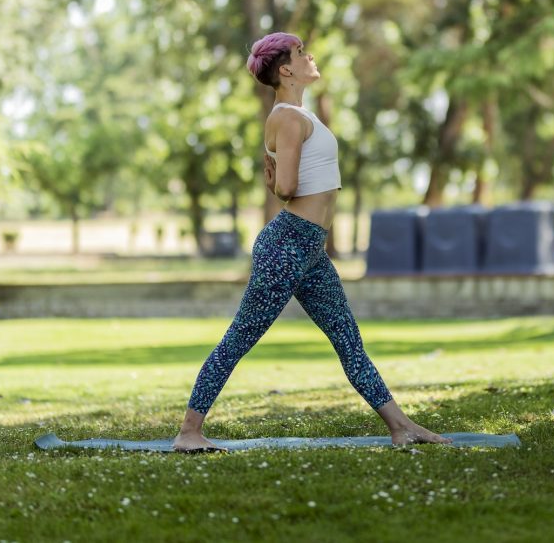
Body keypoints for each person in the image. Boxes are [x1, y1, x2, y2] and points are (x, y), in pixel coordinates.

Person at [172, 32, 452, 453]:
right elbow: (286, 186)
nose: (310, 55)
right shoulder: (286, 117)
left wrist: (279, 185)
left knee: (348, 340)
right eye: (301, 52)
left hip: (309, 250)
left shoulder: (302, 116)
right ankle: (189, 431)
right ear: (286, 68)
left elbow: (287, 184)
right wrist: (277, 184)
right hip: (287, 246)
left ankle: (401, 427)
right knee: (241, 336)